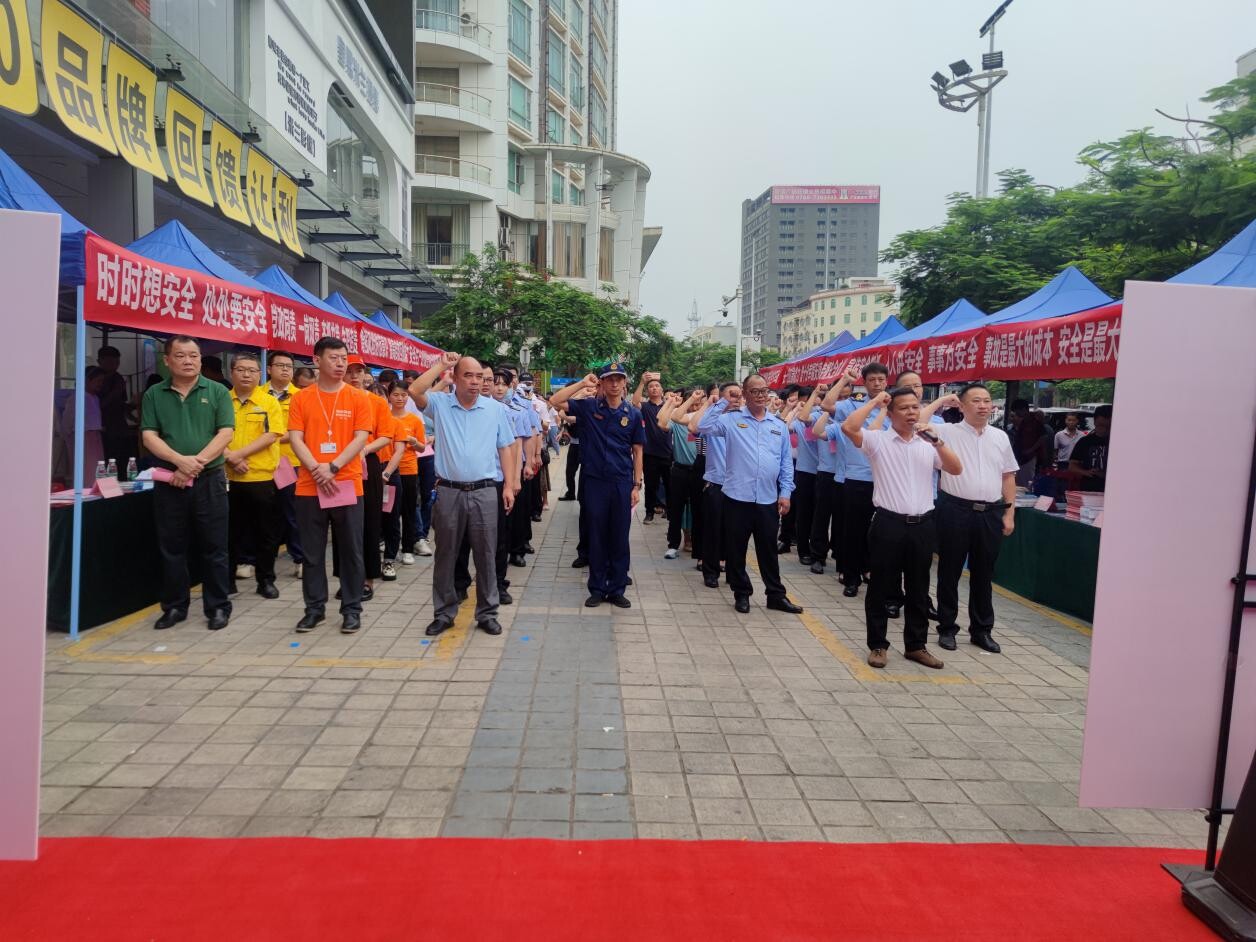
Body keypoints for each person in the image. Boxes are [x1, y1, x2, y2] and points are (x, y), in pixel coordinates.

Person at [841, 386, 962, 670]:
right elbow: (849, 427)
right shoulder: (878, 440)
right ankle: (878, 645)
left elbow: (956, 469)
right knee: (880, 588)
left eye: (915, 407)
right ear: (891, 413)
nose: (912, 412)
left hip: (923, 525)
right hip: (888, 524)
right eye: (904, 408)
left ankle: (916, 646)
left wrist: (938, 442)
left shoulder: (928, 443)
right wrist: (875, 401)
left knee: (919, 589)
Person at [410, 353, 516, 637]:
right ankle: (444, 613)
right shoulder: (441, 404)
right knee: (446, 554)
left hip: (485, 491)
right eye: (468, 375)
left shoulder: (495, 410)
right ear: (455, 378)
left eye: (479, 376)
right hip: (449, 491)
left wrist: (508, 485)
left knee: (486, 554)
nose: (475, 382)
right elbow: (415, 390)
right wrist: (441, 365)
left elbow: (505, 447)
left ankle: (488, 613)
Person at [139, 336, 236, 631]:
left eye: (193, 355)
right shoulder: (154, 394)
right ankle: (174, 607)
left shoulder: (217, 391)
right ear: (167, 360)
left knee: (215, 546)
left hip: (209, 479)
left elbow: (225, 433)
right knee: (172, 546)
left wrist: (194, 465)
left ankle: (217, 607)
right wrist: (178, 461)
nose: (188, 361)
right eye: (180, 355)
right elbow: (149, 435)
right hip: (170, 479)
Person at [287, 336, 372, 634]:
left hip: (346, 483)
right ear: (316, 360)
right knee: (312, 553)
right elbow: (295, 437)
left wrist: (333, 466)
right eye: (334, 358)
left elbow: (361, 437)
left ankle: (351, 609)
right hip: (310, 485)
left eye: (343, 358)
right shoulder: (301, 398)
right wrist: (316, 468)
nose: (340, 364)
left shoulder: (358, 397)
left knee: (351, 551)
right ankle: (314, 609)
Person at [697, 374, 802, 615]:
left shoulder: (778, 425)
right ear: (745, 394)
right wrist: (724, 402)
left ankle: (775, 595)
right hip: (737, 497)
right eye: (754, 391)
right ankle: (741, 593)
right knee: (736, 549)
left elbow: (786, 463)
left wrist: (786, 492)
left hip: (767, 498)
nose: (761, 396)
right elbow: (703, 426)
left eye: (764, 391)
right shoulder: (731, 420)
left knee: (768, 550)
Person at [926, 384, 1018, 654]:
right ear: (962, 406)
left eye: (987, 401)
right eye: (976, 401)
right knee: (950, 570)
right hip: (955, 510)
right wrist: (941, 401)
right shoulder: (946, 432)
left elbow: (1008, 476)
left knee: (983, 573)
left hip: (990, 512)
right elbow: (916, 423)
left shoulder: (1000, 437)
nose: (983, 406)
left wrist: (1009, 512)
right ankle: (947, 627)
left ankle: (981, 630)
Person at [551, 363, 645, 608]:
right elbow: (555, 400)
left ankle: (616, 589)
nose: (614, 383)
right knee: (597, 534)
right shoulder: (589, 407)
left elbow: (637, 450)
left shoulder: (633, 414)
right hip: (595, 482)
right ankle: (597, 587)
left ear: (624, 383)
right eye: (609, 379)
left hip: (622, 482)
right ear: (601, 383)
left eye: (618, 379)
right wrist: (583, 383)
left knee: (619, 536)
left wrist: (636, 485)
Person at [224, 351, 285, 601]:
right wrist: (229, 457)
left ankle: (265, 580)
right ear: (231, 373)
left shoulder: (268, 402)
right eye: (241, 370)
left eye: (252, 370)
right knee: (230, 534)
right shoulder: (222, 400)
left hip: (261, 478)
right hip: (228, 479)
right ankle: (227, 581)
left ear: (260, 374)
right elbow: (211, 433)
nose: (246, 375)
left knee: (266, 534)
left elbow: (271, 435)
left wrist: (238, 455)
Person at [828, 363, 892, 597]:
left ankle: (871, 570)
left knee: (881, 533)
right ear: (864, 383)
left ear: (887, 381)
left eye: (881, 379)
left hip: (885, 479)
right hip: (857, 477)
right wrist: (844, 380)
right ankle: (851, 577)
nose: (877, 383)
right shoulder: (853, 404)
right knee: (854, 530)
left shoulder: (895, 406)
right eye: (872, 380)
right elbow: (827, 405)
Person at [335, 357, 394, 593]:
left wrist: (365, 449)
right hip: (339, 464)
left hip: (367, 461)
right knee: (342, 522)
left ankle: (368, 578)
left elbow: (386, 435)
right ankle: (345, 579)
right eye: (349, 371)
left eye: (358, 371)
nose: (354, 376)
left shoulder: (376, 402)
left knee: (369, 522)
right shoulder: (335, 399)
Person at [693, 381, 743, 588]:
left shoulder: (747, 420)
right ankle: (710, 572)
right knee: (713, 530)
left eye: (739, 395)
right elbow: (696, 426)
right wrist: (718, 404)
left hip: (739, 485)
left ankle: (734, 573)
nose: (736, 399)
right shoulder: (715, 420)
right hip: (716, 483)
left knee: (736, 532)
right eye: (732, 395)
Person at [264, 351, 304, 578]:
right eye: (280, 365)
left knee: (292, 513)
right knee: (262, 513)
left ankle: (299, 558)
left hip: (292, 463)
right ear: (269, 369)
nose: (285, 370)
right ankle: (251, 560)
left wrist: (270, 437)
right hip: (260, 463)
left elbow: (302, 430)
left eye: (289, 366)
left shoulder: (301, 397)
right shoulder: (258, 395)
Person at [379, 381, 426, 573]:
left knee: (408, 511)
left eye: (404, 395)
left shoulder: (414, 420)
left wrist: (414, 442)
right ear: (389, 396)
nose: (400, 398)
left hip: (408, 470)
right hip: (388, 471)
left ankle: (407, 548)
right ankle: (388, 544)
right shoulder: (384, 418)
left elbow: (422, 447)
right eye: (396, 395)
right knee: (389, 511)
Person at [657, 389, 706, 560]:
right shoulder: (679, 420)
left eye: (700, 403)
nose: (696, 407)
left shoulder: (706, 422)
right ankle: (673, 545)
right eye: (693, 403)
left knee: (699, 510)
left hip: (700, 472)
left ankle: (698, 548)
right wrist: (672, 403)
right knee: (676, 509)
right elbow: (662, 422)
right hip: (680, 470)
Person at [632, 370, 670, 523]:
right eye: (651, 386)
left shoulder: (669, 406)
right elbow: (635, 402)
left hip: (668, 452)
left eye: (657, 386)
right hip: (650, 453)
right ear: (647, 391)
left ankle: (669, 510)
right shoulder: (645, 407)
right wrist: (642, 382)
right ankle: (649, 512)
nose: (654, 388)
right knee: (651, 485)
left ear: (662, 390)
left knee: (670, 485)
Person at [96, 345, 134, 475]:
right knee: (105, 459)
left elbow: (122, 403)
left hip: (119, 425)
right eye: (110, 361)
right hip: (101, 426)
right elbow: (97, 404)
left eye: (117, 362)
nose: (115, 365)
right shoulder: (94, 377)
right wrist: (115, 392)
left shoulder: (118, 378)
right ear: (100, 361)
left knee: (121, 459)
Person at [1068, 404, 1111, 492]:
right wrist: (1086, 472)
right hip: (1089, 488)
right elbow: (1072, 466)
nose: (1104, 429)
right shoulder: (1085, 441)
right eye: (1100, 425)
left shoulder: (1118, 442)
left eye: (1108, 426)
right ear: (1095, 422)